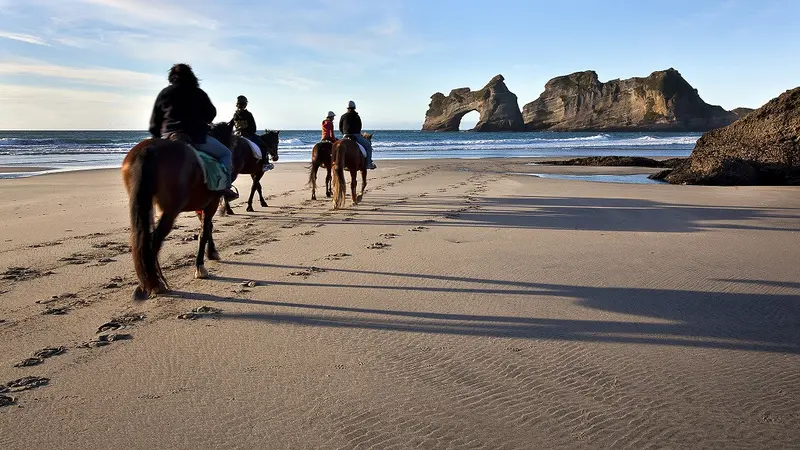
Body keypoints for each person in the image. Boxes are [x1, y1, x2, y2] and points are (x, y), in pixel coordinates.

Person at [149, 63, 238, 200]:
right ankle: (225, 189)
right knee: (226, 153)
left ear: (171, 77)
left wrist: (157, 139)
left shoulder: (165, 93)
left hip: (169, 137)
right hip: (195, 138)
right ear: (192, 77)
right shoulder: (198, 93)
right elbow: (211, 114)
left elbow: (154, 123)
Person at [228, 95, 273, 171]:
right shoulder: (248, 114)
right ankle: (265, 163)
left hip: (237, 134)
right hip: (247, 134)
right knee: (264, 146)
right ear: (245, 104)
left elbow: (231, 125)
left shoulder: (235, 115)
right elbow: (253, 128)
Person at [338, 100, 376, 169]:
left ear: (347, 108)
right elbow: (359, 126)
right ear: (354, 107)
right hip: (356, 135)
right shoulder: (357, 116)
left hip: (345, 136)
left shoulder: (343, 116)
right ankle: (368, 163)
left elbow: (340, 127)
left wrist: (344, 134)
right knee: (368, 147)